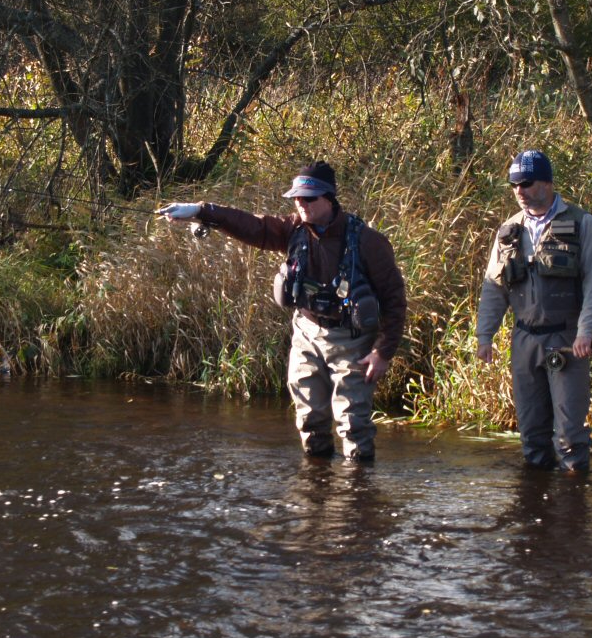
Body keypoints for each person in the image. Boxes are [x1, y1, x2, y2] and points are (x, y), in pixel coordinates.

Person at [158, 161, 406, 461]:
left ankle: (359, 498)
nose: (301, 203)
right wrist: (199, 210)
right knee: (310, 420)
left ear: (329, 198)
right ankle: (316, 493)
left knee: (353, 424)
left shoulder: (369, 242)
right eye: (297, 198)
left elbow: (394, 300)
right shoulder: (293, 229)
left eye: (309, 198)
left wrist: (383, 352)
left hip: (352, 340)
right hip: (306, 331)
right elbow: (252, 226)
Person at [474, 149, 592, 473]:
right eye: (514, 184)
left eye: (526, 183)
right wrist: (485, 336)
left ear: (547, 183)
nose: (519, 191)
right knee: (532, 434)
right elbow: (494, 288)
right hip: (524, 341)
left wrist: (585, 332)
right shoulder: (508, 232)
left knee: (569, 436)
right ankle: (537, 514)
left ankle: (573, 510)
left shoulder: (582, 224)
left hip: (566, 340)